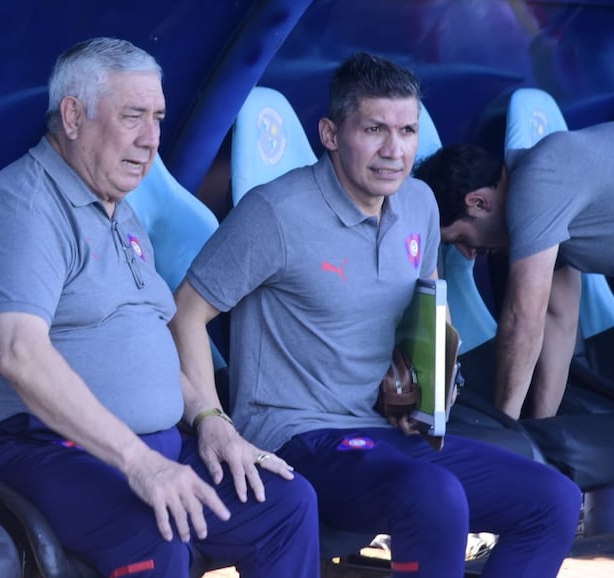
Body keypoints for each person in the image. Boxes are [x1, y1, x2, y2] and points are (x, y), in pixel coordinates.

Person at [169, 51, 582, 578]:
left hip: (392, 435)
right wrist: (213, 422)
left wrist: (430, 385)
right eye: (374, 129)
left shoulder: (420, 205)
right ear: (331, 133)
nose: (394, 150)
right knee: (433, 495)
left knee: (553, 499)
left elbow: (426, 316)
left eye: (407, 130)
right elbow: (184, 313)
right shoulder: (275, 212)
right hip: (300, 436)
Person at [0, 37, 320, 578]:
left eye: (157, 117)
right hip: (25, 445)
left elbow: (144, 344)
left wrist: (209, 419)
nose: (152, 140)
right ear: (72, 116)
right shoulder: (20, 208)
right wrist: (142, 464)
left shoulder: (119, 210)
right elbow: (19, 355)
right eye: (133, 116)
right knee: (157, 529)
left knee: (286, 504)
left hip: (139, 444)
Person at [413, 128, 614, 420]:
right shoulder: (549, 209)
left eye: (460, 237)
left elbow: (523, 317)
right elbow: (558, 316)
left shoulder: (538, 182)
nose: (467, 252)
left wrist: (503, 423)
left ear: (479, 203)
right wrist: (541, 427)